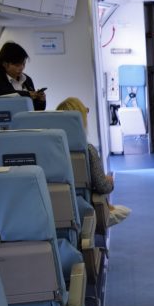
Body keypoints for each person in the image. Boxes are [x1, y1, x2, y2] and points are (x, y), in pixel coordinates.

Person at [56, 97, 131, 226]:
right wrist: (110, 181)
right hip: (84, 209)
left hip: (58, 208)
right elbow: (102, 186)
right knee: (124, 211)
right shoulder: (88, 150)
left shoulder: (51, 149)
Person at [0, 41, 46, 110]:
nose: (21, 68)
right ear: (5, 64)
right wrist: (27, 94)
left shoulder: (27, 80)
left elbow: (36, 110)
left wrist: (41, 100)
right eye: (17, 65)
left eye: (23, 64)